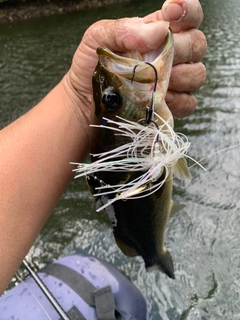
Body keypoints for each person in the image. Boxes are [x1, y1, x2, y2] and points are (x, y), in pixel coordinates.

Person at [0, 0, 207, 295]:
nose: (111, 96)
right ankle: (154, 255)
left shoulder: (137, 126)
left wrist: (77, 97)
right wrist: (81, 98)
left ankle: (153, 255)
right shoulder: (143, 134)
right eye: (112, 101)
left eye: (111, 100)